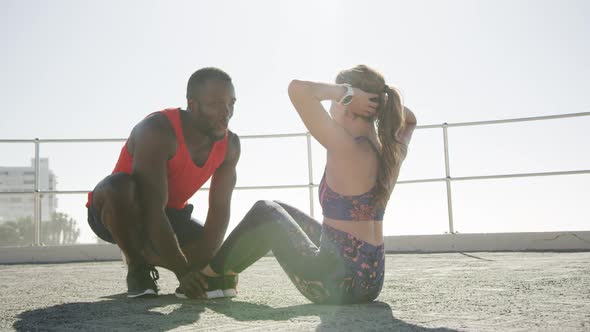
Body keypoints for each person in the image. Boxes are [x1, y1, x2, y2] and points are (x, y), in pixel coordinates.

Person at [192, 65, 417, 304]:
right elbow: (410, 120)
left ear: (347, 104)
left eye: (336, 100)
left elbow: (297, 90)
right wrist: (380, 101)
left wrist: (346, 93)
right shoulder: (392, 153)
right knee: (279, 209)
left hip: (334, 284)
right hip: (371, 282)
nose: (331, 104)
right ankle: (225, 274)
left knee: (264, 211)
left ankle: (210, 278)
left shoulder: (345, 146)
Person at [86, 67, 241, 298]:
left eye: (231, 103)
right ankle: (138, 266)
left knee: (209, 253)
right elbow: (151, 208)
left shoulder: (230, 145)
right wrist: (183, 271)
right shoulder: (157, 130)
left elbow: (219, 210)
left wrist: (205, 267)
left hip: (171, 214)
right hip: (120, 210)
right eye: (217, 104)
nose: (226, 112)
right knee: (119, 185)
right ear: (193, 104)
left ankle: (148, 253)